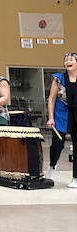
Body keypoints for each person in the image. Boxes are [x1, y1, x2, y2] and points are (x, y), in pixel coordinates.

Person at [46, 52, 77, 187]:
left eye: (71, 59)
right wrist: (51, 117)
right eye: (65, 60)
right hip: (61, 115)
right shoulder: (58, 79)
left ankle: (75, 178)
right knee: (57, 145)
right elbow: (51, 99)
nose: (67, 61)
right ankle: (52, 166)